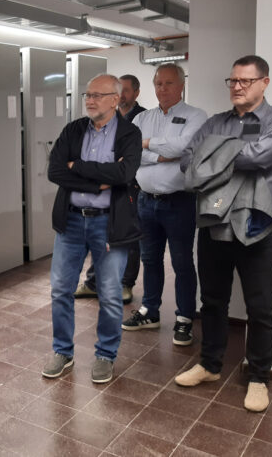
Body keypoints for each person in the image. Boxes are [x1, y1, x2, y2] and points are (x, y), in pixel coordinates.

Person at [176, 55, 272, 412]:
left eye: (245, 81)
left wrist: (213, 155)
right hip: (214, 223)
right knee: (212, 301)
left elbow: (259, 158)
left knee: (260, 307)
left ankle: (258, 378)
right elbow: (187, 162)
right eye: (233, 81)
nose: (237, 87)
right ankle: (210, 365)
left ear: (264, 82)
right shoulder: (215, 122)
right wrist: (230, 154)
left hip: (258, 224)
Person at [43, 74, 141, 384]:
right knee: (61, 289)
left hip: (108, 224)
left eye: (97, 95)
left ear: (115, 100)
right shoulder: (73, 130)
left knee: (110, 295)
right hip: (71, 221)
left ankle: (105, 355)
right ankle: (63, 351)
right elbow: (55, 171)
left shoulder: (129, 133)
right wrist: (98, 182)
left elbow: (124, 173)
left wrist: (78, 167)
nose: (90, 100)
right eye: (87, 95)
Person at [120, 63, 207, 347]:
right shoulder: (142, 117)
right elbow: (128, 152)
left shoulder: (196, 116)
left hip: (179, 202)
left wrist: (146, 144)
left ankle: (184, 318)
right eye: (158, 83)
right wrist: (159, 153)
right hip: (145, 201)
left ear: (181, 85)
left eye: (169, 83)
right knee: (150, 259)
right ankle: (150, 311)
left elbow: (184, 148)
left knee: (182, 262)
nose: (163, 89)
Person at [75, 74, 146, 304]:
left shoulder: (140, 118)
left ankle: (125, 283)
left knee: (126, 237)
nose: (121, 95)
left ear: (136, 93)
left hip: (129, 188)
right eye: (119, 90)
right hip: (103, 188)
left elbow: (133, 160)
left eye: (126, 91)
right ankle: (93, 283)